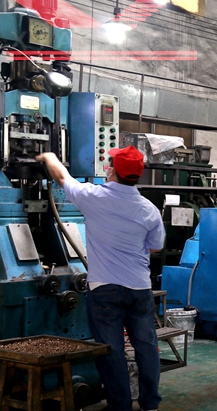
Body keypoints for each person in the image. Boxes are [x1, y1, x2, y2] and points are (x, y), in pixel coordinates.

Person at [36, 146, 165, 411]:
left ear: (112, 171)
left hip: (105, 289)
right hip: (139, 288)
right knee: (146, 346)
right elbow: (156, 247)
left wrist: (49, 157)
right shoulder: (149, 209)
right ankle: (150, 402)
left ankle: (120, 405)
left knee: (111, 348)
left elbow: (62, 177)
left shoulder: (94, 197)